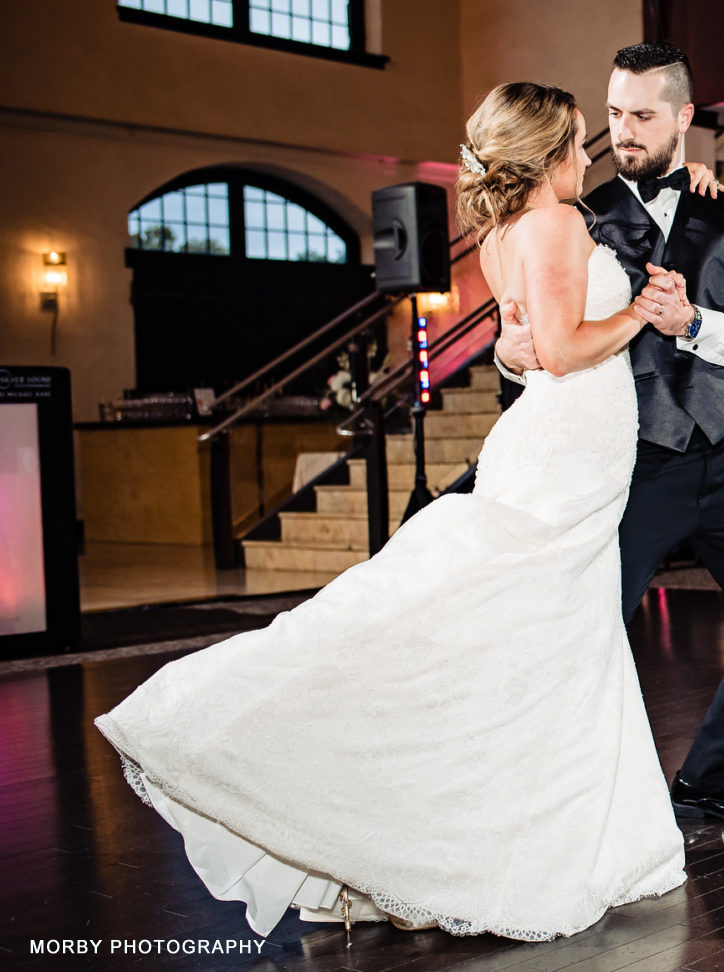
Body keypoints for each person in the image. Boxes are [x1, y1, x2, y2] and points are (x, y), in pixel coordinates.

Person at [95, 81, 689, 941]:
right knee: (543, 640)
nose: (585, 153)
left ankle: (538, 831)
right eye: (574, 142)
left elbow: (521, 348)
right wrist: (639, 311)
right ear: (546, 151)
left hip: (562, 451)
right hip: (566, 460)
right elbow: (562, 349)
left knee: (545, 642)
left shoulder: (498, 236)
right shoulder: (558, 223)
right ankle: (512, 844)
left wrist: (522, 351)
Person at [498, 44, 724, 827]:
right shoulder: (572, 216)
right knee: (582, 630)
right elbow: (535, 336)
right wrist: (512, 358)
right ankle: (556, 805)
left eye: (642, 115)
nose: (625, 132)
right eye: (613, 114)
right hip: (632, 460)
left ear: (682, 118)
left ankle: (709, 778)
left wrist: (694, 323)